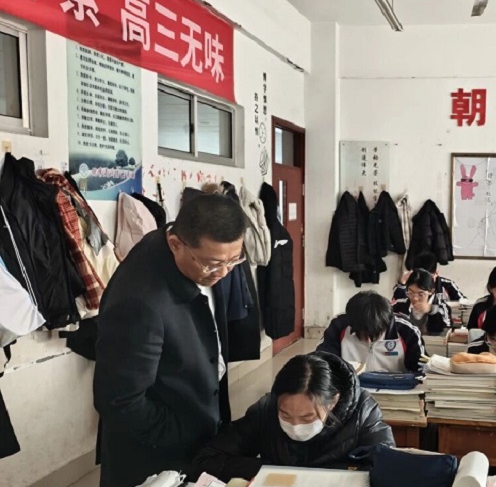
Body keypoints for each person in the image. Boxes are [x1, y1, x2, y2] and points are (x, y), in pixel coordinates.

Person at [93, 194, 252, 487]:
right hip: (156, 456)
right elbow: (120, 401)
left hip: (199, 429)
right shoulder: (139, 301)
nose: (223, 272)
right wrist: (184, 433)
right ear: (176, 244)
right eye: (212, 264)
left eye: (234, 260)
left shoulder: (197, 255)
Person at [192, 352, 394, 482]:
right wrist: (268, 472)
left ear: (333, 401)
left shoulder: (363, 413)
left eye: (307, 418)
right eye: (285, 415)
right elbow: (207, 458)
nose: (295, 426)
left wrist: (317, 477)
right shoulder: (266, 410)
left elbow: (389, 472)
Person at [317, 291, 424, 372]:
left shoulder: (407, 330)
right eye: (362, 333)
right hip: (352, 387)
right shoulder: (339, 325)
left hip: (397, 390)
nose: (368, 339)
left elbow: (420, 369)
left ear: (385, 324)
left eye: (374, 334)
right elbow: (322, 362)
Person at [392, 269, 451, 335]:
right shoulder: (399, 305)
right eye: (410, 293)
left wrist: (431, 310)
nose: (415, 298)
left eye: (421, 294)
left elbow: (445, 332)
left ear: (431, 291)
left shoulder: (442, 307)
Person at [392, 251, 466, 303]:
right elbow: (396, 307)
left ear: (436, 273)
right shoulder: (407, 285)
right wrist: (402, 283)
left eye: (428, 277)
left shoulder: (447, 285)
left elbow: (464, 304)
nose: (424, 281)